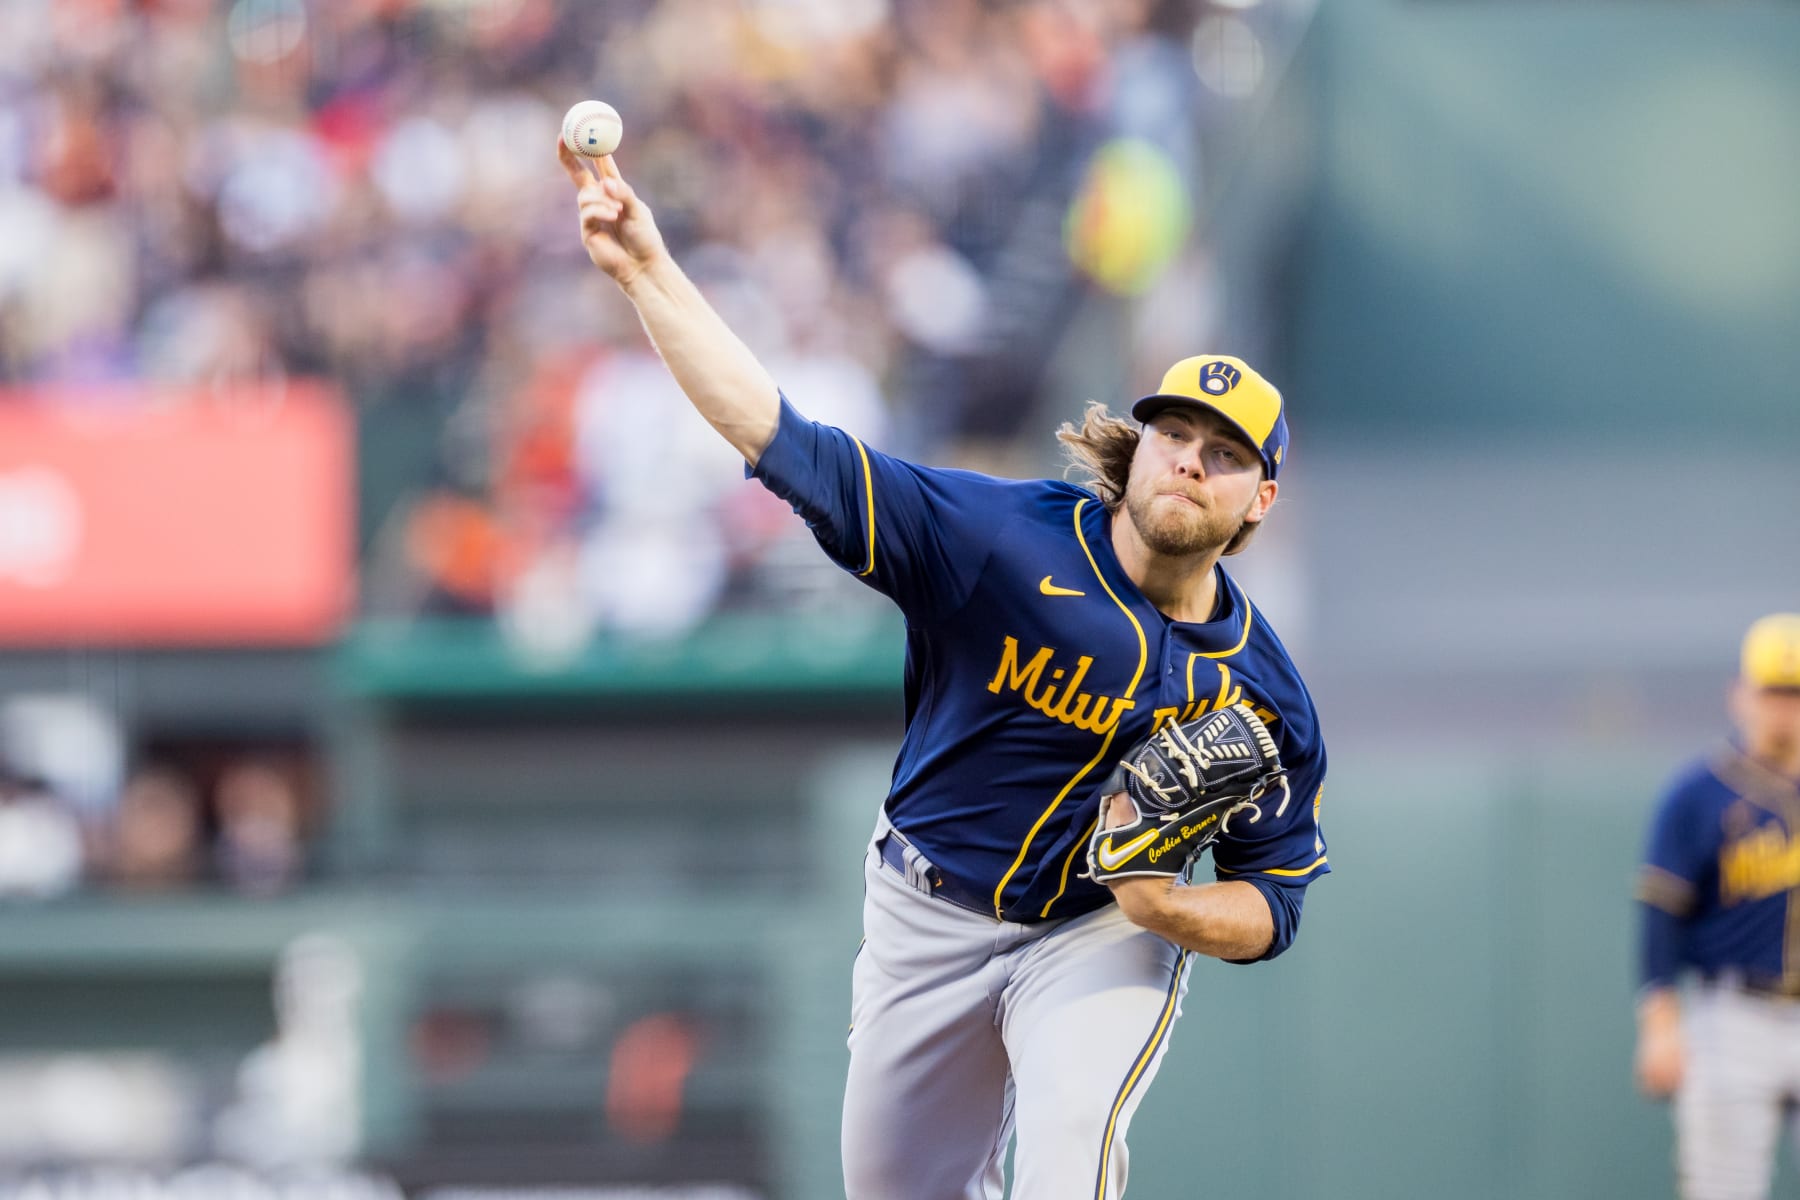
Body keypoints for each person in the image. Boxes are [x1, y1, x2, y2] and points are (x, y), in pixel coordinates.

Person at [559, 141, 1329, 1200]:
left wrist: (1162, 905)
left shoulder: (1265, 693)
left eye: (1226, 453)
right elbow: (788, 444)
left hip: (1096, 931)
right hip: (926, 913)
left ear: (1260, 499)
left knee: (1069, 1152)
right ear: (1140, 445)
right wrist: (647, 270)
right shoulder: (999, 540)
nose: (1190, 459)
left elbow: (1273, 899)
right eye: (1174, 432)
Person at [1635, 613, 1800, 1200]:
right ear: (1741, 694)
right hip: (1733, 1018)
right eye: (1774, 691)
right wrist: (1659, 1024)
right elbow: (1660, 911)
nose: (1785, 707)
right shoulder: (1698, 792)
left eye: (1796, 693)